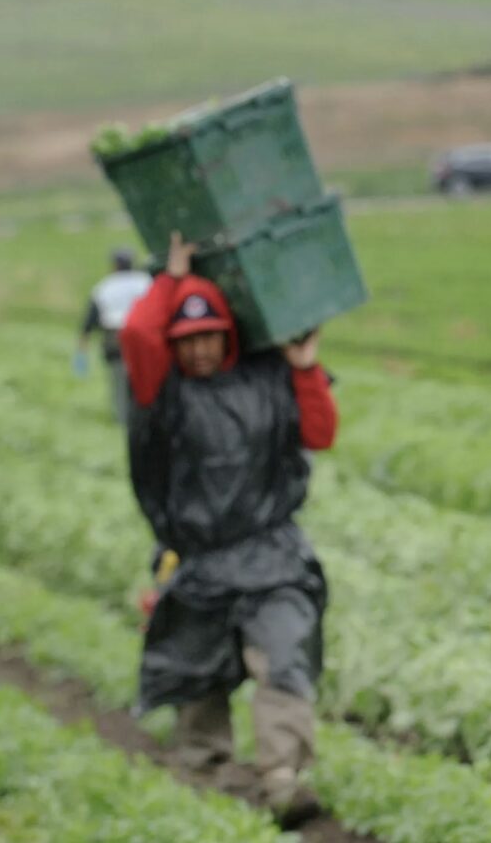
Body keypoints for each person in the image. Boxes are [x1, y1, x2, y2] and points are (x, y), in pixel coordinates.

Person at [120, 231, 337, 827]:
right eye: (186, 342)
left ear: (229, 335)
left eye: (209, 337)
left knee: (284, 657)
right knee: (197, 678)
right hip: (200, 559)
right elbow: (139, 334)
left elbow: (320, 433)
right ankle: (201, 787)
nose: (199, 352)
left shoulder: (271, 376)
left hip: (273, 553)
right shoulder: (162, 395)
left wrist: (306, 368)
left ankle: (283, 778)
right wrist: (173, 278)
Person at [75, 247, 153, 423]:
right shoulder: (144, 281)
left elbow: (91, 317)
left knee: (118, 380)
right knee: (142, 377)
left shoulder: (105, 287)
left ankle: (123, 418)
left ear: (115, 265)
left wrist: (83, 340)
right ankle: (143, 414)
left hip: (114, 339)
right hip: (141, 336)